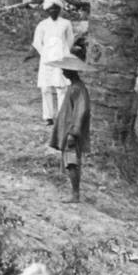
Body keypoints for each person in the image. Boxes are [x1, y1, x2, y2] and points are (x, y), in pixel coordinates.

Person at [47, 55, 90, 203]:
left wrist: (73, 132)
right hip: (68, 131)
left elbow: (81, 111)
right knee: (69, 162)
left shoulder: (78, 89)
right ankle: (74, 193)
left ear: (71, 71)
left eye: (65, 70)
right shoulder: (74, 87)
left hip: (71, 133)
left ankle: (75, 194)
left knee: (71, 162)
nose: (63, 72)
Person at [31, 0, 75, 125]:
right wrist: (45, 54)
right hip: (46, 58)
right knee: (45, 88)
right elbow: (37, 42)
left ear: (60, 9)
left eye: (56, 8)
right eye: (51, 9)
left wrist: (63, 52)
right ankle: (48, 117)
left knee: (61, 87)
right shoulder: (43, 24)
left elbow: (70, 40)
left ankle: (62, 116)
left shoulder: (66, 23)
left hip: (61, 58)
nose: (54, 11)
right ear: (47, 10)